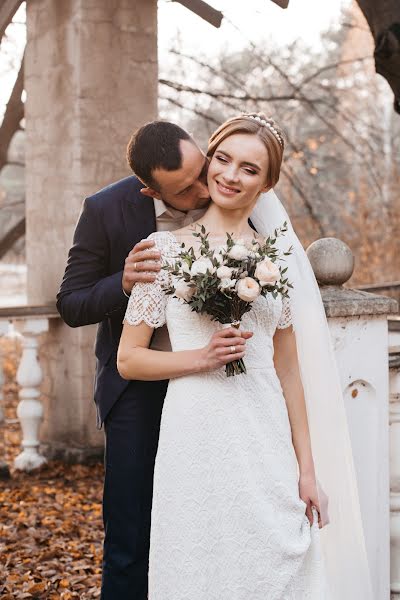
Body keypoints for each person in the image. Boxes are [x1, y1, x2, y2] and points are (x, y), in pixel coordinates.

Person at [118, 113, 374, 599]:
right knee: (199, 560)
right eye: (223, 159)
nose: (231, 175)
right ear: (208, 160)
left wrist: (308, 471)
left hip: (265, 431)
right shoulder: (162, 250)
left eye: (250, 169)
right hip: (194, 432)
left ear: (268, 182)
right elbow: (129, 360)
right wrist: (201, 358)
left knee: (278, 557)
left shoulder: (278, 263)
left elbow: (290, 372)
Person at [56, 121, 213, 599]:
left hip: (215, 381)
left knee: (205, 518)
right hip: (135, 389)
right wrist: (121, 284)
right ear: (150, 190)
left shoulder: (231, 191)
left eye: (201, 171)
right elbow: (71, 303)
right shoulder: (105, 209)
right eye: (186, 189)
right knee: (131, 527)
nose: (205, 189)